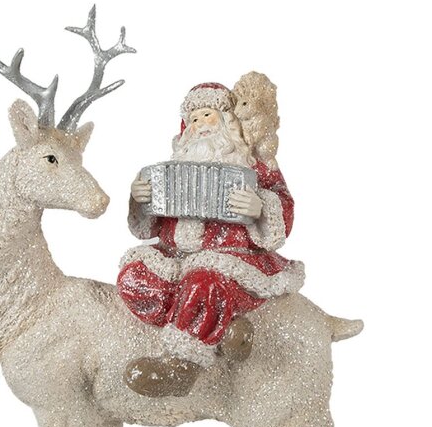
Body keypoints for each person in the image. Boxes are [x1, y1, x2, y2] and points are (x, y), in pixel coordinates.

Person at [118, 82, 304, 397]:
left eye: (207, 115)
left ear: (226, 120)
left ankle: (180, 368)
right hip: (175, 258)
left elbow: (283, 207)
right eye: (193, 119)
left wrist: (261, 207)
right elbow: (147, 229)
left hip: (231, 259)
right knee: (134, 277)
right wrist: (140, 200)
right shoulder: (173, 169)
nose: (200, 124)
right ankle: (222, 329)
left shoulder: (253, 164)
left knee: (205, 283)